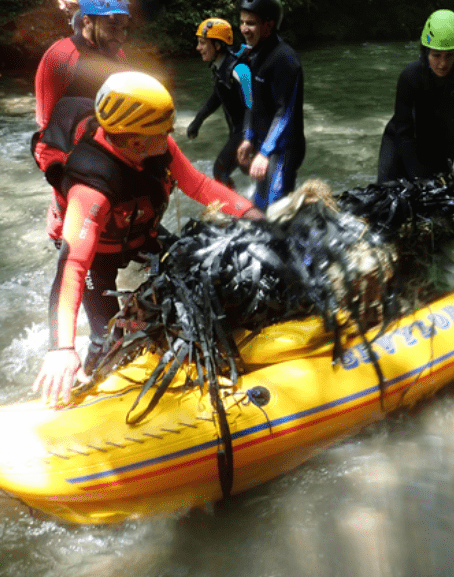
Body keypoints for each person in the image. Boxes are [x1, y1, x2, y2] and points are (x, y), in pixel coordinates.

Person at [31, 71, 264, 407]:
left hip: (141, 235)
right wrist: (62, 348)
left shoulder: (154, 146)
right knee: (108, 335)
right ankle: (91, 386)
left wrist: (255, 216)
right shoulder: (91, 191)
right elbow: (72, 268)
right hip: (98, 254)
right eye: (165, 131)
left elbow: (198, 186)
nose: (170, 137)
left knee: (193, 275)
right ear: (137, 141)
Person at [377, 9, 454, 183]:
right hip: (401, 142)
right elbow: (404, 132)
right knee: (390, 197)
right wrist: (419, 178)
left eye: (449, 56)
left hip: (443, 140)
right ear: (426, 53)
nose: (442, 64)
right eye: (436, 55)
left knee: (441, 196)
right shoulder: (410, 77)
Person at [236, 0, 305, 210]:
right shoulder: (253, 54)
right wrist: (248, 137)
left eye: (251, 24)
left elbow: (286, 112)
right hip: (263, 144)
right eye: (242, 22)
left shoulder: (285, 59)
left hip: (284, 149)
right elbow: (251, 103)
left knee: (275, 210)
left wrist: (265, 153)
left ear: (268, 25)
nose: (244, 29)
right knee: (259, 207)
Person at [34, 0, 130, 130]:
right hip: (73, 143)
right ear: (87, 21)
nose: (121, 37)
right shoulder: (60, 56)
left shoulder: (119, 55)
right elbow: (46, 124)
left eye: (124, 28)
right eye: (112, 28)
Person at [187, 17, 252, 189]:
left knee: (220, 171)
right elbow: (218, 96)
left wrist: (249, 139)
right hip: (238, 131)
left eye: (202, 43)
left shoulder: (240, 69)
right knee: (248, 170)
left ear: (217, 45)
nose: (198, 48)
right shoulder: (219, 67)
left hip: (249, 131)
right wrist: (198, 120)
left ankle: (235, 212)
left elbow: (252, 104)